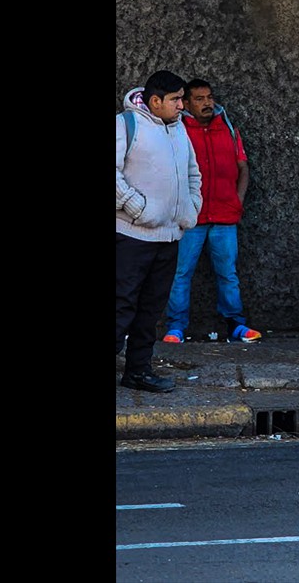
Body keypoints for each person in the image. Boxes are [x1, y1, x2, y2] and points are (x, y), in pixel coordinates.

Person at [116, 70, 202, 393]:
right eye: (176, 99)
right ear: (155, 101)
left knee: (150, 311)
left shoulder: (179, 129)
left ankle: (137, 371)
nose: (183, 105)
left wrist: (190, 209)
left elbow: (193, 173)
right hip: (130, 237)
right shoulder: (126, 125)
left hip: (168, 238)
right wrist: (137, 207)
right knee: (121, 306)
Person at [163, 79, 260, 344]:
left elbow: (243, 168)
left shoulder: (228, 128)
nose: (207, 103)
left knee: (227, 273)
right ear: (186, 104)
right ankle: (176, 328)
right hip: (190, 217)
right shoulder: (177, 130)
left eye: (209, 97)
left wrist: (237, 200)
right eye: (199, 99)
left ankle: (236, 325)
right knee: (181, 273)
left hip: (225, 216)